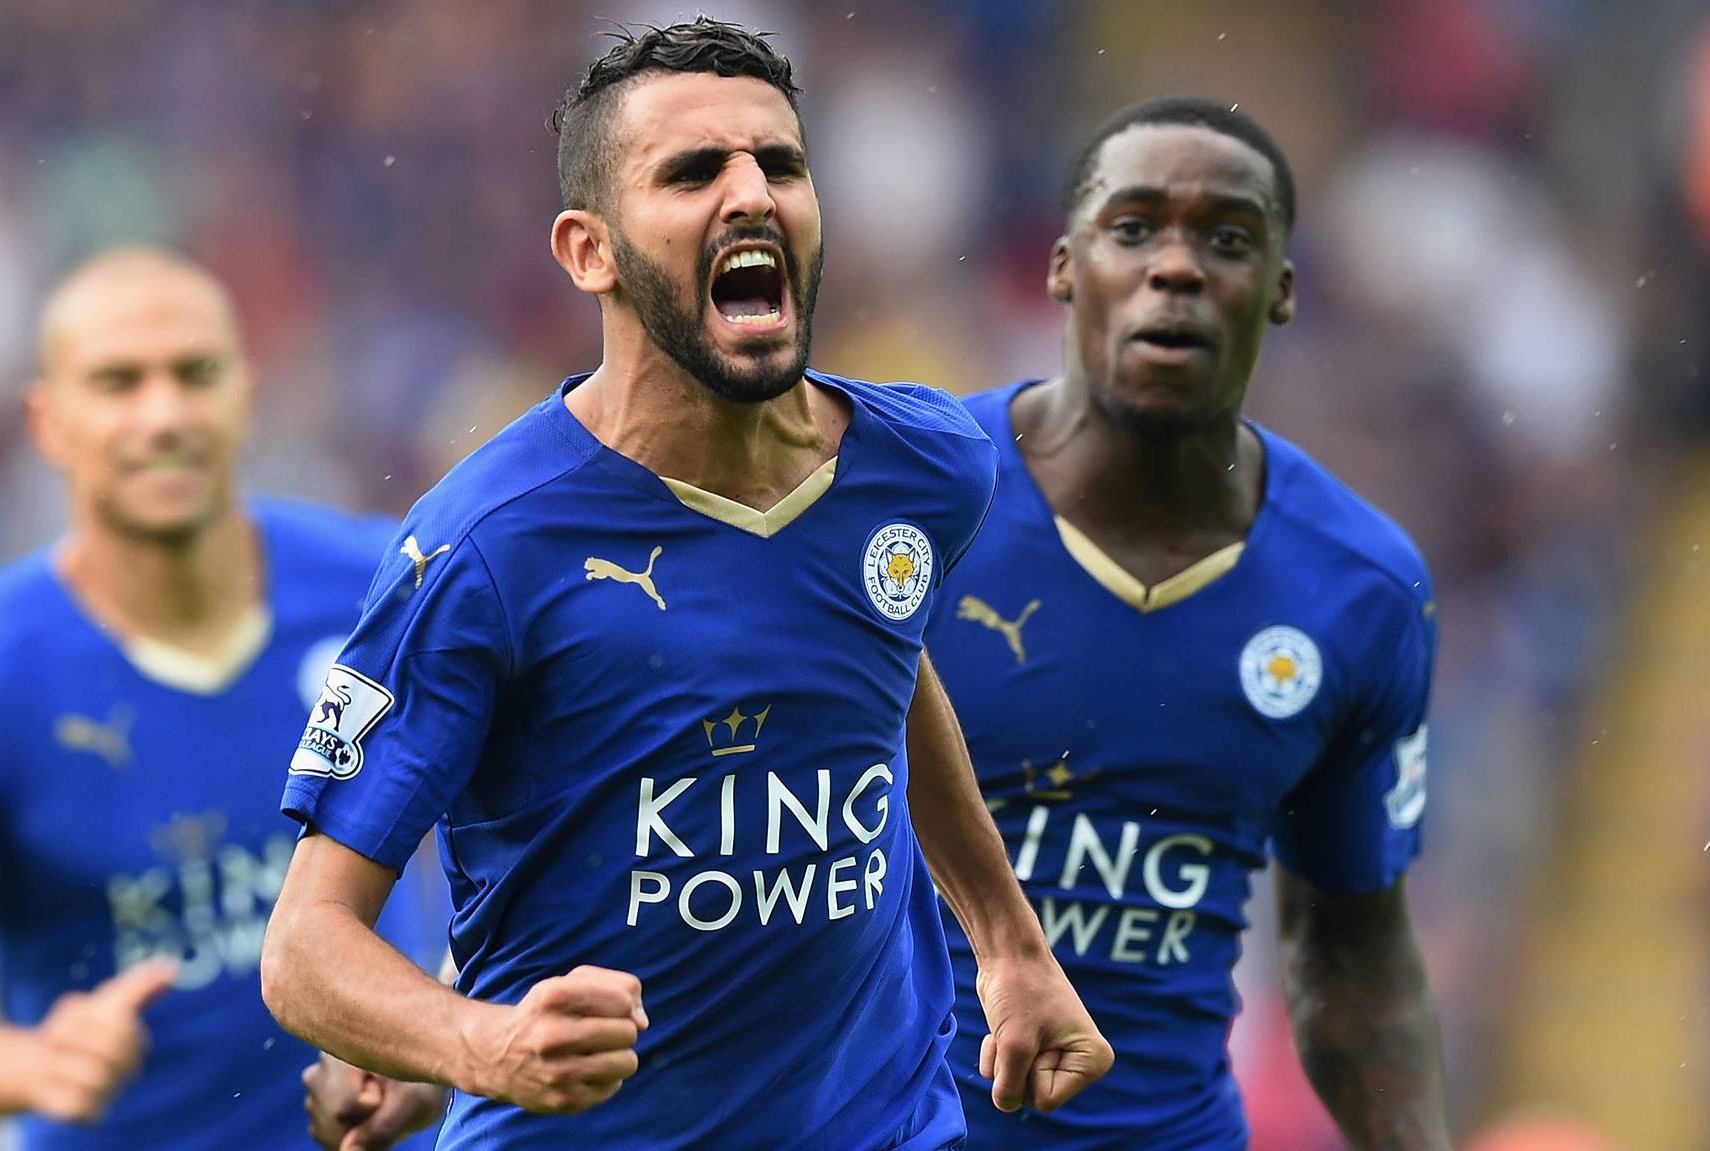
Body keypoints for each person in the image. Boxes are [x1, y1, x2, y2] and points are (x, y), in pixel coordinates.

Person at [262, 17, 1112, 1151]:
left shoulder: (926, 464)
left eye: (782, 163)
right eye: (694, 171)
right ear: (588, 249)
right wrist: (477, 1043)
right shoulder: (483, 548)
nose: (752, 193)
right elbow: (305, 946)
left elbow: (879, 668)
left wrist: (1009, 943)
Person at [0, 246, 446, 1151]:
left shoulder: (386, 589)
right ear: (47, 421)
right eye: (118, 382)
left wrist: (445, 1026)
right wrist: (30, 1066)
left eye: (194, 373)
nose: (163, 413)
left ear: (246, 392)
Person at [924, 96, 1451, 1148]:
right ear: (1063, 266)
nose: (1176, 268)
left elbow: (1350, 954)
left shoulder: (1359, 588)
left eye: (1226, 238)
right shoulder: (911, 504)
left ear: (1282, 290)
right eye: (1133, 229)